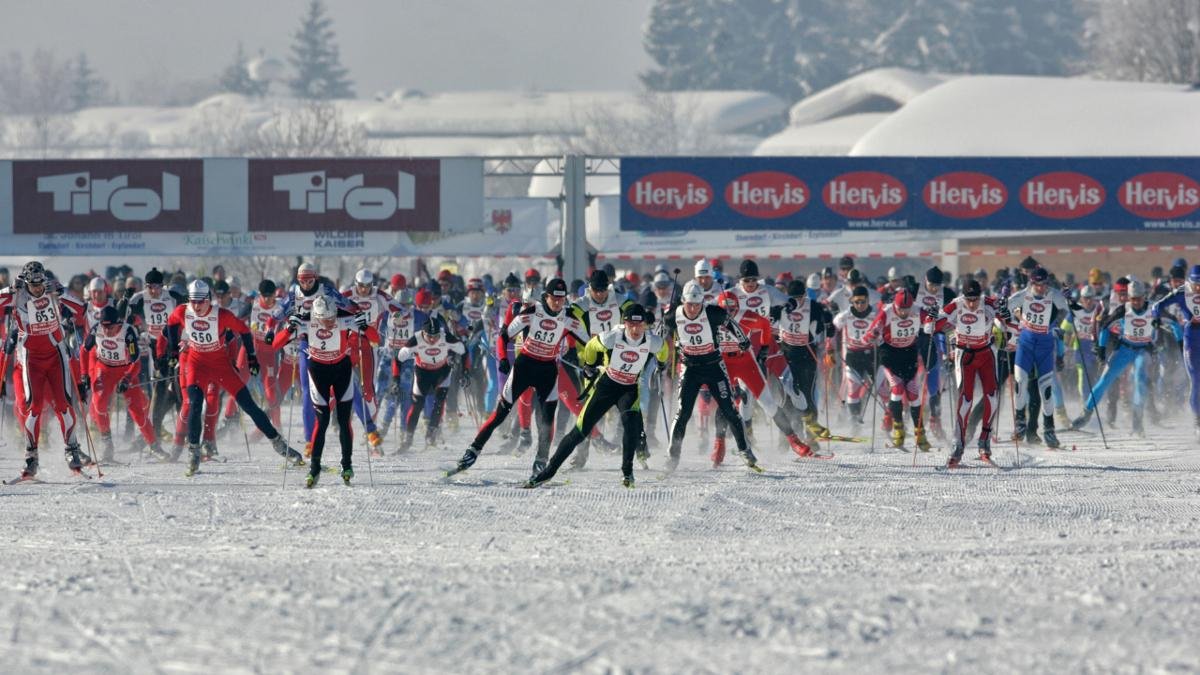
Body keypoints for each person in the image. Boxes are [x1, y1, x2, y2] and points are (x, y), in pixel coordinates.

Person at [450, 278, 589, 479]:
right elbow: (504, 335)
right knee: (500, 414)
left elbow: (593, 343)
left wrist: (593, 365)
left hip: (548, 371)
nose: (558, 302)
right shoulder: (532, 312)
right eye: (554, 298)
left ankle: (541, 462)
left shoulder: (568, 318)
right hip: (525, 366)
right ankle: (472, 451)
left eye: (561, 299)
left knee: (547, 420)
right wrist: (504, 358)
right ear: (547, 296)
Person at [165, 279, 305, 476]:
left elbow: (245, 331)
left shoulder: (221, 315)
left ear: (209, 299)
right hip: (197, 365)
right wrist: (172, 349)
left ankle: (279, 444)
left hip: (221, 365)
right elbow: (171, 323)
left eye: (201, 301)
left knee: (249, 405)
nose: (197, 306)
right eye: (193, 301)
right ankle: (194, 451)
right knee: (195, 403)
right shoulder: (183, 311)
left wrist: (252, 356)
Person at [526, 304, 669, 488]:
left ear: (644, 325)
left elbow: (664, 350)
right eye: (631, 325)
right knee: (580, 431)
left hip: (629, 388)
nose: (635, 329)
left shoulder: (652, 341)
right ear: (624, 323)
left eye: (639, 325)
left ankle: (627, 472)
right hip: (607, 386)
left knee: (631, 426)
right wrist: (590, 366)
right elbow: (591, 346)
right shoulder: (612, 337)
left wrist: (662, 364)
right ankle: (548, 472)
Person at [272, 296, 377, 487]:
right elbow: (276, 344)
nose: (329, 323)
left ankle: (347, 464)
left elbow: (376, 339)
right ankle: (315, 468)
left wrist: (365, 326)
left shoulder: (345, 318)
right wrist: (288, 329)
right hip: (318, 372)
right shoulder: (305, 320)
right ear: (316, 316)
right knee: (323, 421)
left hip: (341, 370)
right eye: (325, 320)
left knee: (344, 420)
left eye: (332, 319)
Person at [0, 261, 90, 479]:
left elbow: (81, 309)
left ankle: (72, 450)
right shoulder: (18, 294)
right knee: (34, 408)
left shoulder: (53, 290)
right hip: (32, 359)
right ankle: (31, 457)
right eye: (33, 284)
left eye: (40, 284)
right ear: (26, 282)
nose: (38, 288)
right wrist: (8, 289)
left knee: (64, 405)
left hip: (56, 355)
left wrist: (62, 293)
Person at [660, 282, 762, 475]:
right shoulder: (673, 315)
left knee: (729, 409)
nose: (693, 308)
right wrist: (659, 357)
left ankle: (745, 451)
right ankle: (672, 457)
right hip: (690, 368)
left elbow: (731, 324)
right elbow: (660, 335)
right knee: (683, 412)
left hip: (714, 366)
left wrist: (743, 341)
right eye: (689, 304)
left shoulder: (713, 313)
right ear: (683, 301)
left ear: (702, 302)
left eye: (697, 304)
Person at [712, 290, 812, 463]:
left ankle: (794, 440)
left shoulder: (747, 316)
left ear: (738, 306)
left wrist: (764, 348)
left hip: (746, 363)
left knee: (768, 403)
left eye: (733, 308)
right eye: (725, 309)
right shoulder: (711, 318)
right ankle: (719, 444)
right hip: (724, 364)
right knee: (724, 402)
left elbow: (765, 324)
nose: (729, 313)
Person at [927, 280, 1015, 466]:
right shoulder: (956, 305)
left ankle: (984, 441)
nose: (972, 303)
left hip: (986, 354)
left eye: (975, 299)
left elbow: (1013, 328)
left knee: (992, 397)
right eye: (969, 299)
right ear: (964, 296)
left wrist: (1007, 318)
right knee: (966, 400)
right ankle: (958, 444)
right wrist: (931, 317)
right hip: (964, 355)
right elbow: (929, 328)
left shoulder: (990, 304)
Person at [81, 306, 168, 461]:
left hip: (125, 370)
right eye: (104, 326)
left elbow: (136, 362)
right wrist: (84, 375)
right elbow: (83, 350)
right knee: (98, 402)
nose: (107, 331)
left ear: (118, 323)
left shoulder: (127, 333)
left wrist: (127, 379)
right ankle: (107, 442)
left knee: (136, 411)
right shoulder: (97, 329)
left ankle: (154, 446)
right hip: (105, 369)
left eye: (111, 327)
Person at [1072, 280, 1157, 437]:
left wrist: (1172, 341)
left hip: (1143, 349)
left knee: (1139, 377)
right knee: (1105, 379)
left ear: (1144, 296)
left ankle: (1137, 422)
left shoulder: (1153, 308)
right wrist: (1101, 350)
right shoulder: (1122, 309)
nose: (1136, 302)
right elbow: (1105, 327)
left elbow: (1170, 321)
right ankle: (1086, 414)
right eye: (1133, 299)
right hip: (1124, 348)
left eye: (1139, 298)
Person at [1008, 267, 1072, 448]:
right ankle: (1020, 423)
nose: (1041, 288)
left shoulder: (1054, 295)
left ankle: (1049, 430)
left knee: (1046, 390)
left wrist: (1070, 299)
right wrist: (1004, 300)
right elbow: (1002, 308)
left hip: (1045, 347)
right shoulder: (1022, 295)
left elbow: (1076, 311)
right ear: (1031, 283)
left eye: (1043, 284)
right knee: (1020, 382)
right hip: (1026, 345)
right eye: (1037, 284)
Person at [392, 314, 466, 451]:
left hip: (442, 373)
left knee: (439, 404)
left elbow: (463, 350)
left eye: (436, 336)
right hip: (422, 374)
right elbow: (398, 359)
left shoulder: (446, 337)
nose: (432, 339)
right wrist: (395, 380)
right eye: (429, 336)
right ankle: (408, 439)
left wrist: (464, 372)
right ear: (423, 333)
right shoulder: (416, 340)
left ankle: (431, 435)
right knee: (417, 406)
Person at [866, 288, 929, 450]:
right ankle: (898, 428)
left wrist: (934, 324)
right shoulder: (886, 312)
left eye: (906, 309)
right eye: (900, 309)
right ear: (895, 305)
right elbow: (870, 332)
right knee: (898, 388)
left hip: (909, 353)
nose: (903, 312)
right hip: (890, 353)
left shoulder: (917, 310)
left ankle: (920, 432)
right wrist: (872, 335)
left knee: (913, 393)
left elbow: (932, 321)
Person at [1152, 264, 1200, 436]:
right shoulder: (1181, 292)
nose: (1199, 289)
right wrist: (1157, 321)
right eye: (1196, 285)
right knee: (1196, 379)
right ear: (1190, 282)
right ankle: (1197, 420)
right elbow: (1156, 307)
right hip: (1192, 338)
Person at [832, 286, 879, 433]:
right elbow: (832, 330)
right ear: (852, 301)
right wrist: (830, 348)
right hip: (853, 355)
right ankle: (854, 420)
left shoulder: (876, 314)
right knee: (852, 389)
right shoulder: (844, 316)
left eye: (863, 301)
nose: (860, 305)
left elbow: (885, 331)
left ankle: (890, 421)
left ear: (868, 300)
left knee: (882, 388)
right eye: (856, 302)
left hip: (871, 355)